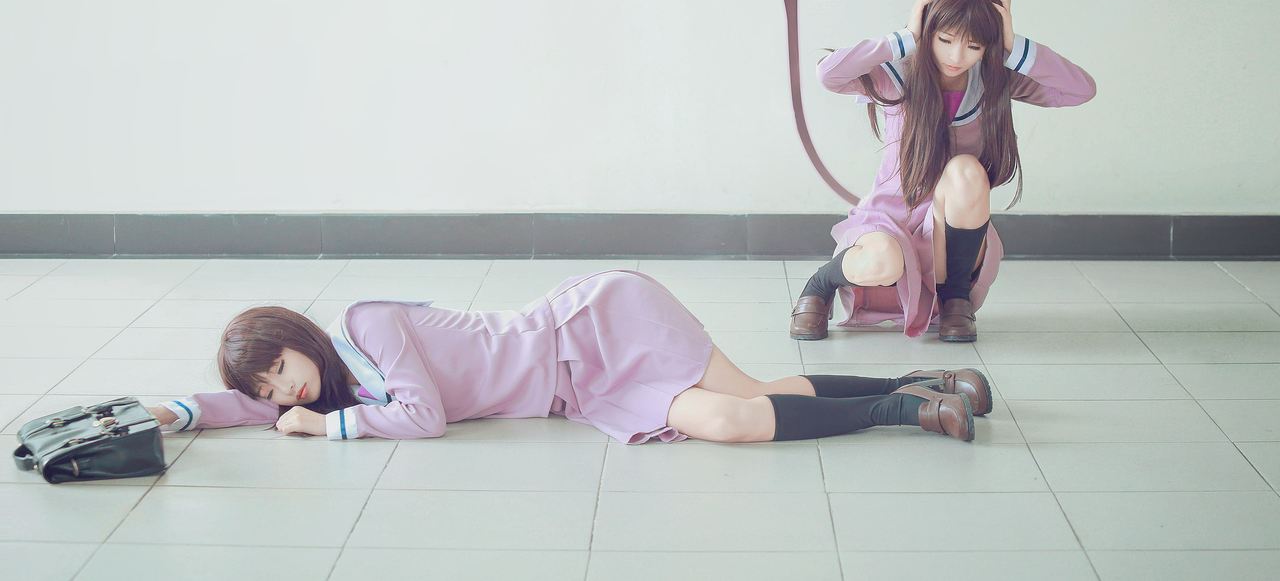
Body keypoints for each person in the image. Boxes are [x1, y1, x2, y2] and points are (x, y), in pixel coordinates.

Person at [146, 269, 991, 444]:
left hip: (593, 326)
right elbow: (250, 408)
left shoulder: (365, 325)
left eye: (278, 365)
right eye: (270, 386)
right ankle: (909, 403)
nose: (282, 389)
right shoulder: (334, 391)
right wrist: (177, 412)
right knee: (731, 422)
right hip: (580, 393)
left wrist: (328, 431)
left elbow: (425, 417)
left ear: (297, 335)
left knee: (756, 390)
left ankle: (911, 388)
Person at [789, 0, 1096, 343]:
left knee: (966, 169)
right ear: (929, 30)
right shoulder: (900, 73)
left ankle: (955, 300)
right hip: (889, 223)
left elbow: (1080, 90)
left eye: (973, 46)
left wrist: (1013, 45)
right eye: (945, 40)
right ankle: (820, 283)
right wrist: (905, 38)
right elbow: (828, 75)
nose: (956, 57)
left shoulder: (993, 79)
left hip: (950, 232)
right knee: (883, 260)